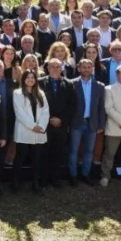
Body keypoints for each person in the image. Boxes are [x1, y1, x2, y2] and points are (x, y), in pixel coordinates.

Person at [68, 59, 107, 186]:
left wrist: (101, 124)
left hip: (92, 122)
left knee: (89, 151)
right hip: (76, 122)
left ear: (92, 69)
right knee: (73, 150)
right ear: (79, 69)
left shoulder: (100, 86)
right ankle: (72, 175)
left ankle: (85, 174)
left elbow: (101, 107)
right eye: (83, 67)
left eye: (89, 67)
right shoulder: (72, 84)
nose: (86, 69)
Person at [11, 70, 50, 193]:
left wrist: (42, 126)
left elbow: (45, 111)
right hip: (25, 130)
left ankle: (35, 182)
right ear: (23, 79)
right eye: (28, 77)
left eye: (33, 77)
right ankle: (15, 182)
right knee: (20, 158)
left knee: (36, 159)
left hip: (39, 131)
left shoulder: (40, 93)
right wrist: (33, 126)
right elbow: (19, 113)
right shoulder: (17, 93)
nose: (30, 80)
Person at [40, 59, 74, 188]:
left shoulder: (69, 84)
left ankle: (54, 178)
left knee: (58, 152)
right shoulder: (40, 82)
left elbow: (71, 105)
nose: (55, 69)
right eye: (52, 66)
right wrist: (48, 119)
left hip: (61, 124)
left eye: (58, 67)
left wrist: (61, 119)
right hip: (45, 124)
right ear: (48, 68)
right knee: (44, 153)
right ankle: (43, 178)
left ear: (62, 68)